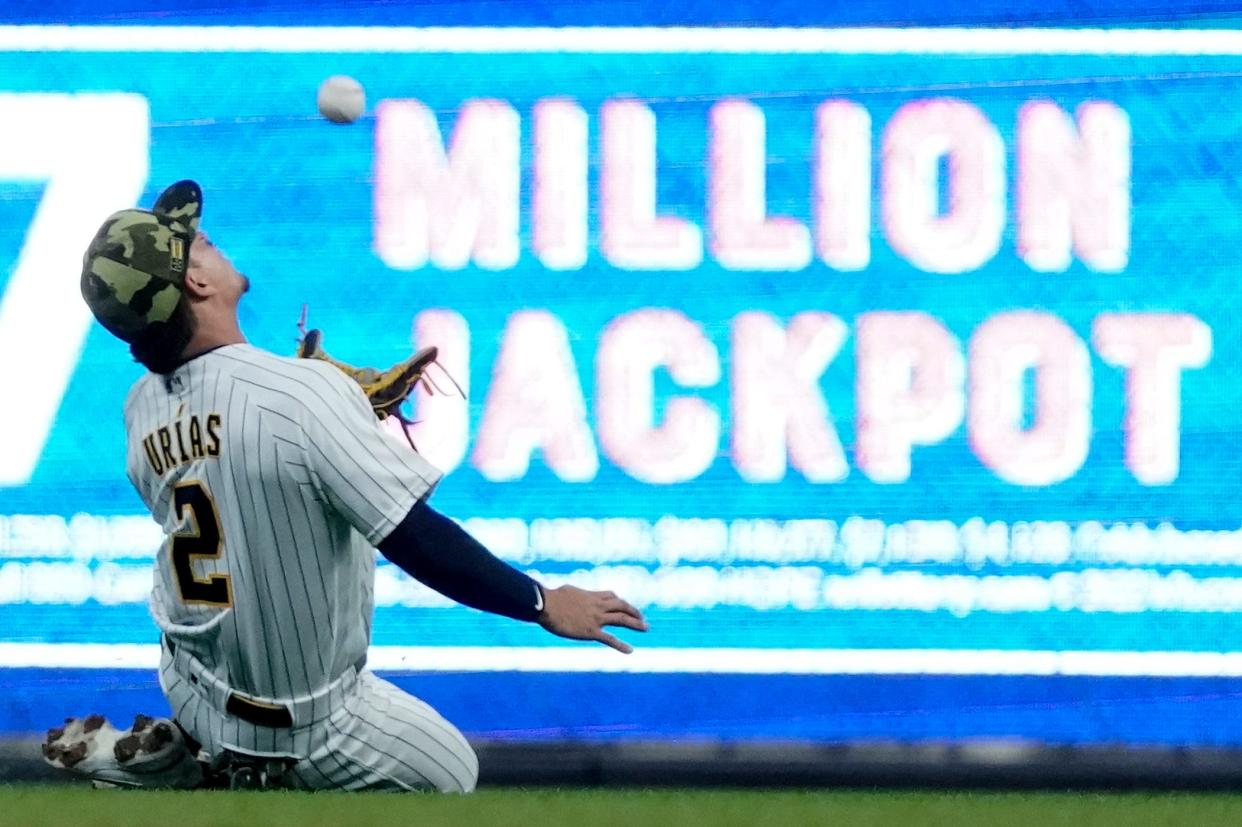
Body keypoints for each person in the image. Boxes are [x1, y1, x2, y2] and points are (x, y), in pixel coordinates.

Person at [43, 180, 648, 792]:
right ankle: (221, 775)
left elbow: (237, 452)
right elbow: (414, 538)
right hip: (313, 721)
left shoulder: (140, 410)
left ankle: (196, 755)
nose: (205, 237)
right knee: (451, 777)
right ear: (196, 285)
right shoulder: (303, 394)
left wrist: (334, 420)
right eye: (195, 242)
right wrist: (542, 602)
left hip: (193, 685)